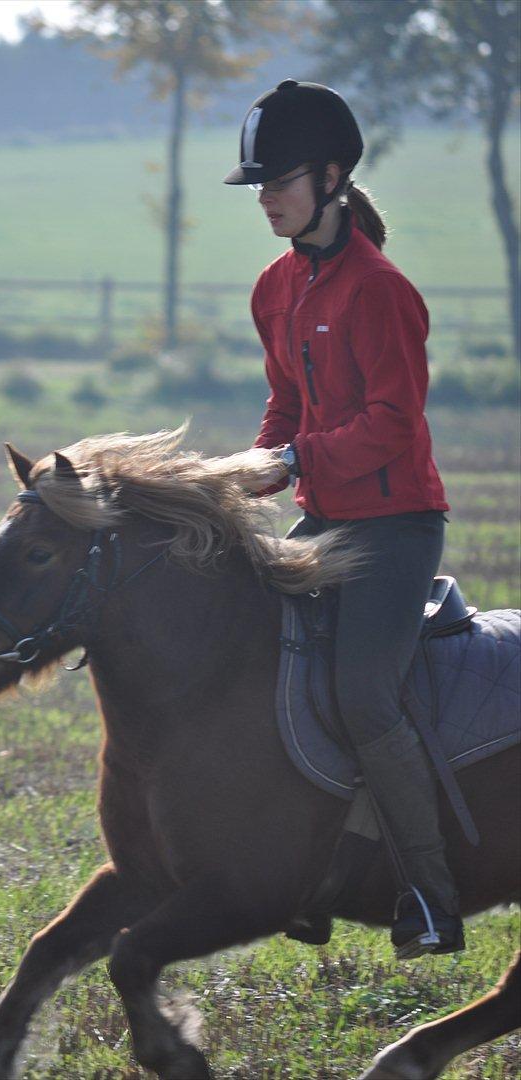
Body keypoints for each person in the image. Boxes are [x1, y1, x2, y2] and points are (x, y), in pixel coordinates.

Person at [224, 79, 463, 959]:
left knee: (363, 696)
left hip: (395, 528)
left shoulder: (380, 290)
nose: (264, 198)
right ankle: (311, 874)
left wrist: (293, 463)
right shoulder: (273, 288)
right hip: (322, 518)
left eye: (277, 181)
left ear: (329, 178)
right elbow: (285, 402)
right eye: (256, 185)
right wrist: (260, 461)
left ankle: (431, 897)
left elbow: (395, 424)